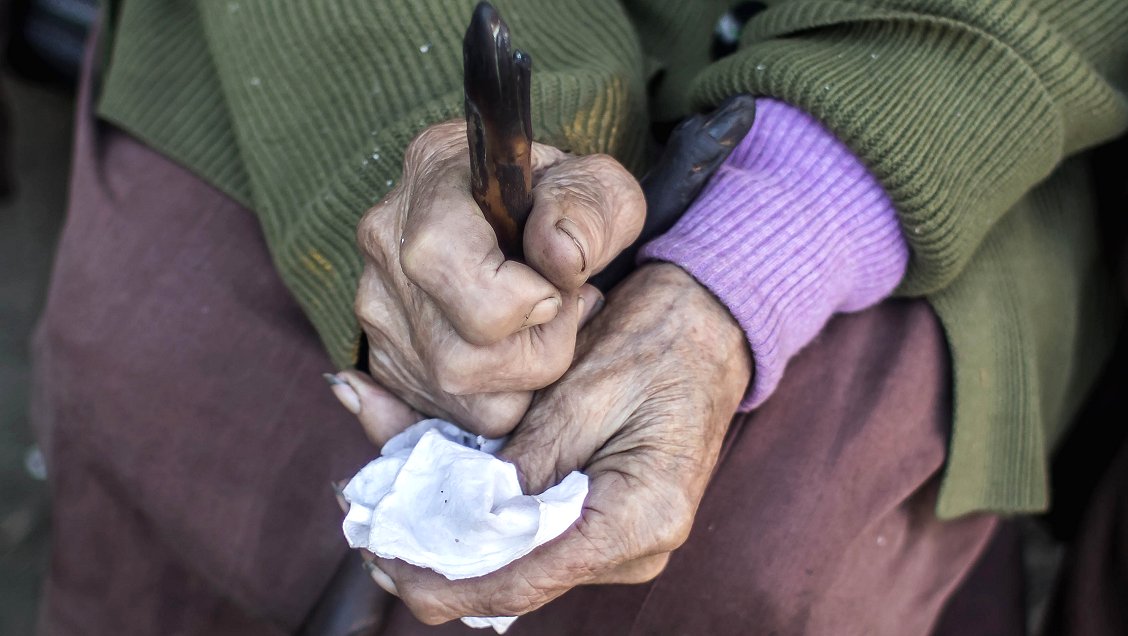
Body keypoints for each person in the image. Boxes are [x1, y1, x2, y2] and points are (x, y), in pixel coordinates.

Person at [30, 0, 1127, 634]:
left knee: (774, 541)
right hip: (347, 40)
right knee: (174, 372)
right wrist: (420, 133)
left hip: (949, 89)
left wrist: (785, 223)